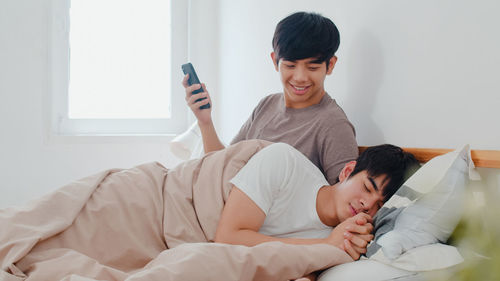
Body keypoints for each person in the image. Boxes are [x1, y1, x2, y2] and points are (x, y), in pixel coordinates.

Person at [183, 11, 358, 185]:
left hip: (253, 212)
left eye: (312, 68)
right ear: (275, 61)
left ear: (331, 65)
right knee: (158, 177)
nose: (300, 77)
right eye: (290, 65)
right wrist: (205, 122)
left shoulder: (334, 124)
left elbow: (343, 198)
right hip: (222, 202)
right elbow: (223, 167)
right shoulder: (267, 105)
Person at [216, 142, 419, 281]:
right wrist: (325, 246)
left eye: (379, 206)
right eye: (367, 187)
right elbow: (226, 238)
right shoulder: (284, 161)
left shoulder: (350, 241)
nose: (367, 205)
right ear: (347, 172)